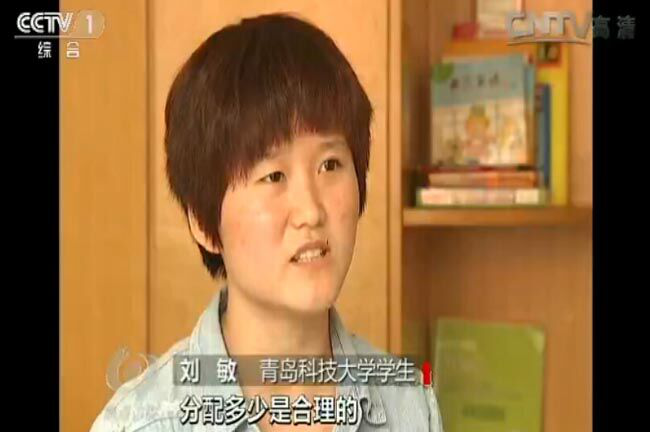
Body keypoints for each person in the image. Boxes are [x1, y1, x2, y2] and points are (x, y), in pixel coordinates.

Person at [91, 13, 444, 431]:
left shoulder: (408, 405)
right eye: (273, 176)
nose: (311, 211)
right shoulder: (142, 423)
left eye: (330, 165)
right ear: (203, 222)